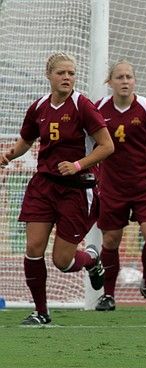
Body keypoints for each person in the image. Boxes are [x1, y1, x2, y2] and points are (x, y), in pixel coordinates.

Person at [0, 52, 114, 325]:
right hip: (44, 186)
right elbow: (26, 141)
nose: (67, 78)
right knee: (33, 247)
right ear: (48, 75)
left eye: (71, 73)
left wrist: (77, 165)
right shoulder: (39, 106)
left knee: (62, 261)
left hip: (76, 189)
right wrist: (8, 155)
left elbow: (108, 146)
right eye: (61, 73)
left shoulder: (83, 106)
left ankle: (90, 260)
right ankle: (41, 312)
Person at [93, 60, 146, 311]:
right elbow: (87, 141)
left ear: (134, 80)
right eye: (119, 77)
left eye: (129, 77)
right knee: (111, 241)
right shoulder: (98, 108)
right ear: (110, 82)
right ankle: (108, 295)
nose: (125, 81)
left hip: (145, 186)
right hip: (111, 186)